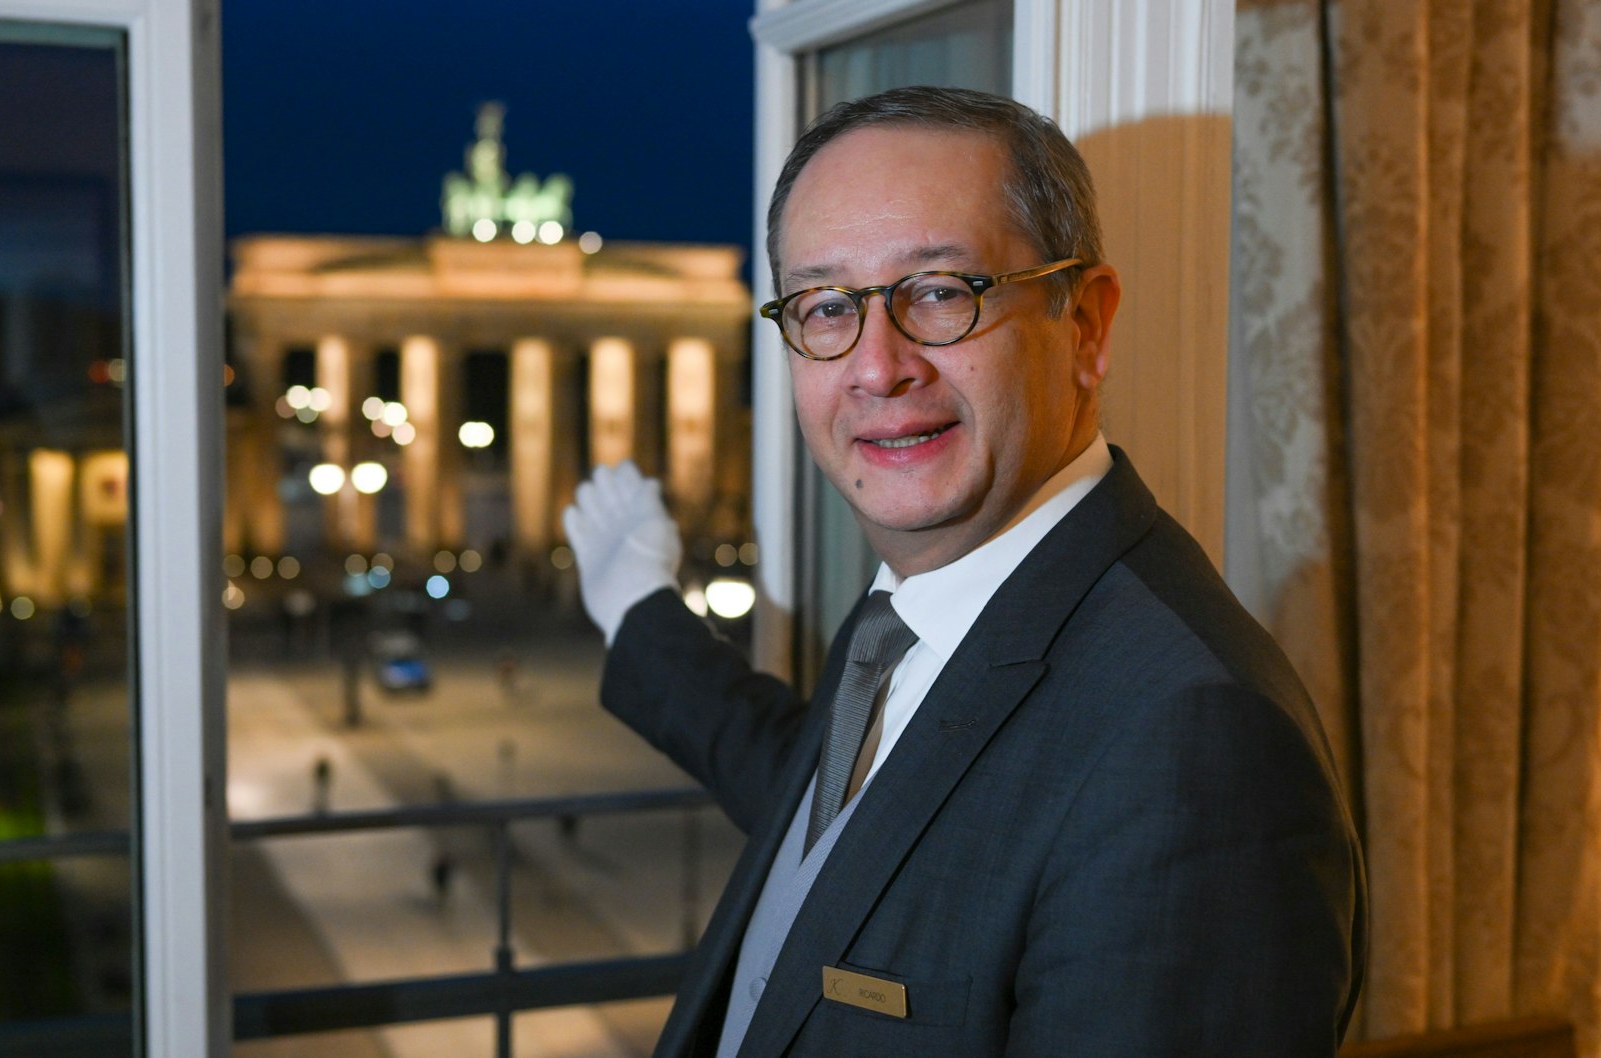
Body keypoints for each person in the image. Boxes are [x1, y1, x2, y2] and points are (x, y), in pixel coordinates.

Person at [562, 85, 1364, 1058]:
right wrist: (641, 614)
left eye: (941, 292)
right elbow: (851, 830)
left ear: (1085, 326)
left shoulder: (1195, 749)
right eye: (826, 307)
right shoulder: (914, 615)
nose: (877, 366)